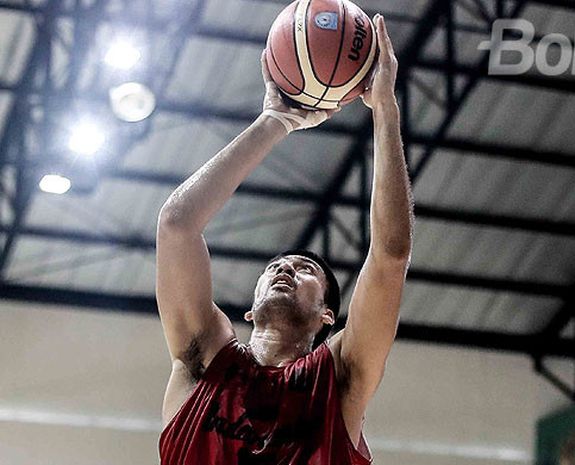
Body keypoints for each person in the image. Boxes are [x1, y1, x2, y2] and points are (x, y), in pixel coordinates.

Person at [156, 14, 414, 465]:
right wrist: (275, 120)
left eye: (306, 269)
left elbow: (390, 255)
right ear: (250, 309)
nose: (286, 268)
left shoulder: (339, 378)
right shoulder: (205, 358)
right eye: (278, 265)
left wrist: (385, 109)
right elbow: (177, 225)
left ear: (327, 316)